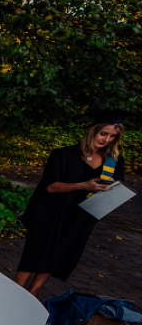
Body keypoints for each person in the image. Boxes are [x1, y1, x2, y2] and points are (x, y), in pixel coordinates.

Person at [15, 111, 129, 296]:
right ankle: (16, 291)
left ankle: (33, 292)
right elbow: (51, 187)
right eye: (103, 133)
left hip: (82, 216)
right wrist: (84, 185)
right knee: (36, 252)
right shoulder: (64, 155)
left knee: (60, 254)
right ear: (93, 131)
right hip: (53, 212)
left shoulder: (114, 161)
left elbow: (116, 187)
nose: (106, 139)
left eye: (112, 136)